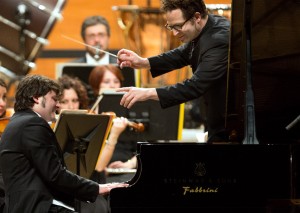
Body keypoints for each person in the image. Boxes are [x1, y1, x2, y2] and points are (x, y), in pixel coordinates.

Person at [0, 74, 127, 213]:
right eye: (54, 99)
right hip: (37, 206)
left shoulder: (19, 122)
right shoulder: (32, 124)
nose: (58, 105)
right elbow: (55, 174)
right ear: (36, 98)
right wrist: (97, 188)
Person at [116, 0, 230, 143]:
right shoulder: (207, 26)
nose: (175, 33)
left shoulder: (219, 39)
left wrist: (148, 93)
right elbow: (183, 53)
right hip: (215, 118)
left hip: (229, 125)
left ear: (197, 17)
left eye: (178, 26)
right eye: (171, 27)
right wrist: (144, 62)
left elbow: (195, 86)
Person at [89, 65, 138, 181]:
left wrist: (129, 164)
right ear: (97, 87)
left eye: (116, 81)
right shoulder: (89, 114)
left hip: (126, 172)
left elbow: (146, 147)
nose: (112, 85)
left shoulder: (130, 113)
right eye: (106, 82)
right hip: (97, 173)